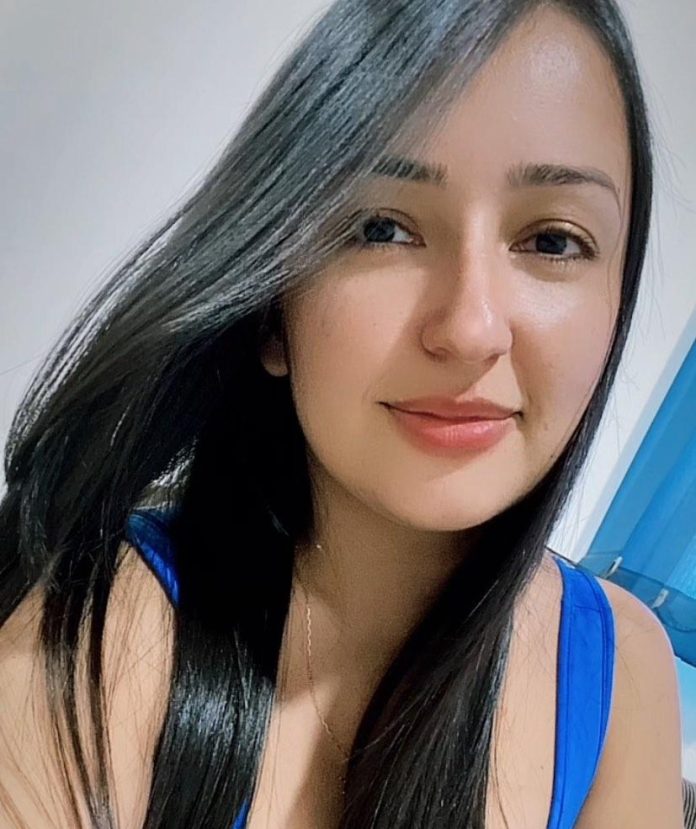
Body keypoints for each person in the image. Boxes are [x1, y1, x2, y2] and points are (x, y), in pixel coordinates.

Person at [0, 0, 685, 827]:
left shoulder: (622, 676)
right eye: (382, 227)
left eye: (551, 241)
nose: (471, 327)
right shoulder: (79, 654)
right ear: (272, 307)